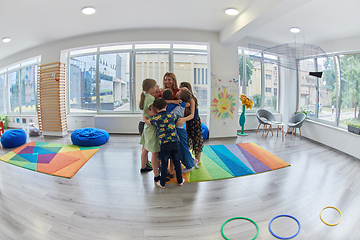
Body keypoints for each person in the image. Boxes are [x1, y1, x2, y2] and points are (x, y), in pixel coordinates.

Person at [143, 98, 185, 188]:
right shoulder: (172, 115)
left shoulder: (157, 118)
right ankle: (180, 181)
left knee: (164, 162)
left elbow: (147, 122)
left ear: (155, 108)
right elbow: (178, 120)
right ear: (166, 106)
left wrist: (144, 115)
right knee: (177, 162)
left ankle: (162, 183)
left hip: (164, 144)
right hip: (175, 142)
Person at [162, 88, 198, 173]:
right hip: (179, 129)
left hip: (179, 129)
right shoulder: (181, 103)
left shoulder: (180, 103)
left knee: (182, 147)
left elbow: (189, 103)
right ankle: (192, 161)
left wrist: (186, 92)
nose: (177, 91)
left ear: (181, 96)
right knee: (183, 147)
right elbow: (188, 103)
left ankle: (189, 165)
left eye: (179, 91)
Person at [139, 79, 160, 181]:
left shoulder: (144, 97)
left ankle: (143, 167)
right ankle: (156, 175)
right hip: (152, 126)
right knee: (155, 151)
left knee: (145, 148)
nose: (157, 88)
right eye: (156, 86)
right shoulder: (151, 98)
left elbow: (145, 112)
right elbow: (154, 112)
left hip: (147, 126)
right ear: (151, 88)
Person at [180, 82, 203, 165]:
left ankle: (198, 159)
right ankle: (188, 158)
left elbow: (192, 115)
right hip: (189, 122)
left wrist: (183, 119)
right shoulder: (184, 100)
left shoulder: (192, 99)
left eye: (181, 88)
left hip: (195, 122)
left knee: (197, 140)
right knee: (188, 139)